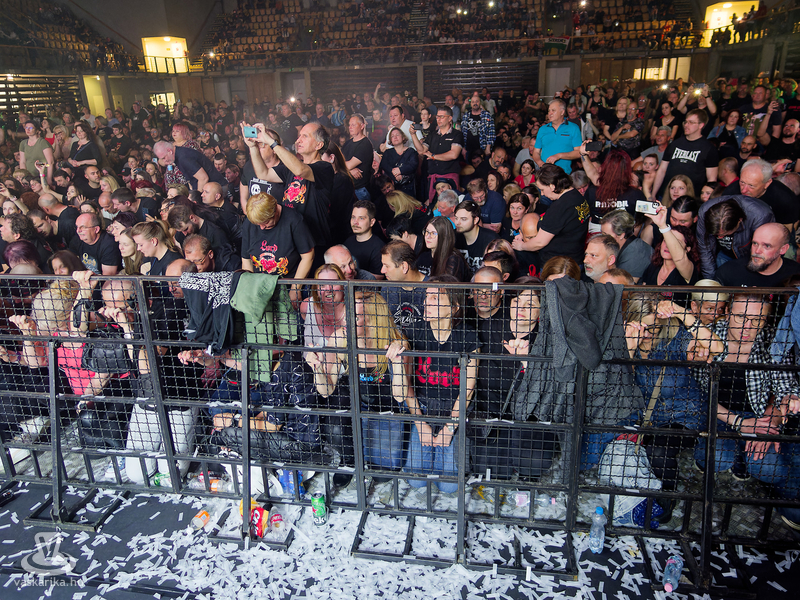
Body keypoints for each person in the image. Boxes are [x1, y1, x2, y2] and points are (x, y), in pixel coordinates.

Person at [305, 291, 412, 477]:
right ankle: (349, 460)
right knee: (335, 422)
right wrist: (317, 368)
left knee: (386, 469)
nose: (346, 321)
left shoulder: (396, 341)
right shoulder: (340, 338)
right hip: (355, 399)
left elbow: (400, 396)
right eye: (346, 314)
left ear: (372, 320)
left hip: (386, 405)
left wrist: (397, 362)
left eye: (355, 317)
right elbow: (326, 391)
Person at [697, 293, 800, 479]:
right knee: (715, 459)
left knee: (772, 471)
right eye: (741, 317)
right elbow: (696, 394)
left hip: (758, 414)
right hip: (717, 415)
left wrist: (772, 421)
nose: (747, 326)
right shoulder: (707, 335)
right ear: (727, 312)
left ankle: (743, 457)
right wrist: (739, 423)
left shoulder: (774, 339)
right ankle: (735, 455)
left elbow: (785, 386)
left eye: (757, 320)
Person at [400, 275, 480, 494]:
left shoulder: (468, 336)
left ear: (454, 307)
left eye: (436, 297)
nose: (427, 302)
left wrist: (450, 428)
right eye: (427, 296)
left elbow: (467, 390)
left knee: (449, 486)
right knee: (416, 481)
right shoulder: (414, 331)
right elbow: (406, 385)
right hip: (423, 408)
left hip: (454, 410)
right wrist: (420, 423)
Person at [246, 121, 334, 261]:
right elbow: (263, 174)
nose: (298, 140)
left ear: (319, 145)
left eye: (305, 136)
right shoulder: (290, 168)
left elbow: (300, 170)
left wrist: (272, 142)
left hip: (315, 241)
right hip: (291, 239)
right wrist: (253, 147)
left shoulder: (324, 168)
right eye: (299, 136)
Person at [511, 164, 590, 269]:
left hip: (557, 267)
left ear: (552, 186)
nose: (543, 194)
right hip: (574, 260)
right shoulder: (577, 196)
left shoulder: (560, 207)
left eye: (542, 190)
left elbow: (540, 242)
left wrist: (521, 246)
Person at [696, 195, 775, 278]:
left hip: (749, 257)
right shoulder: (705, 212)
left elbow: (763, 253)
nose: (720, 237)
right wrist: (710, 281)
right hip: (724, 255)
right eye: (716, 234)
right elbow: (705, 249)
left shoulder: (760, 216)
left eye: (725, 233)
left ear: (739, 220)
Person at [652, 109, 719, 200]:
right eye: (686, 122)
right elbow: (662, 170)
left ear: (701, 125)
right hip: (667, 195)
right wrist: (653, 194)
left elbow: (711, 180)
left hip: (691, 199)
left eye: (691, 122)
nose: (686, 125)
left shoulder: (709, 148)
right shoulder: (675, 144)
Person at [580, 146, 645, 233]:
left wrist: (583, 154)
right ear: (627, 170)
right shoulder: (635, 194)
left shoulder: (592, 191)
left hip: (598, 235)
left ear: (605, 168)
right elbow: (641, 219)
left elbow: (583, 216)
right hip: (621, 236)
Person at [714, 222, 800, 286]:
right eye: (755, 243)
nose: (757, 251)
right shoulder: (729, 271)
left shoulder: (796, 274)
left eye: (767, 246)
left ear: (783, 249)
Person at [640, 204, 700, 291]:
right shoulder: (653, 267)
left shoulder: (688, 269)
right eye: (666, 241)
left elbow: (679, 258)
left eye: (676, 242)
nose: (668, 245)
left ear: (687, 249)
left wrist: (663, 226)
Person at [411, 107, 463, 204]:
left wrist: (433, 156)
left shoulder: (457, 134)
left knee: (451, 204)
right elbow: (421, 150)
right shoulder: (433, 135)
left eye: (442, 117)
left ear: (450, 118)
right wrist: (413, 135)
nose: (438, 119)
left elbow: (454, 154)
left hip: (449, 177)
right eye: (437, 117)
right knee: (434, 205)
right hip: (433, 178)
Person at [380, 240, 427, 336]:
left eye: (386, 266)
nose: (382, 270)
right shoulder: (387, 289)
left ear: (404, 266)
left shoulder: (432, 290)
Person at [153, 140, 227, 192]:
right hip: (211, 188)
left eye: (164, 158)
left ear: (170, 151)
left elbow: (203, 178)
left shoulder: (183, 158)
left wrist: (197, 199)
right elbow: (191, 179)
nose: (164, 161)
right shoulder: (179, 154)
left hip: (217, 189)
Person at [533, 99, 582, 174]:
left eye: (553, 110)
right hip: (545, 174)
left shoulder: (573, 128)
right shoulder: (542, 129)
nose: (550, 113)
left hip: (564, 174)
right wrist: (541, 164)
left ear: (562, 112)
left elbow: (578, 152)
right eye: (549, 111)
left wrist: (559, 156)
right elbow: (536, 151)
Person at [453, 200, 499, 274]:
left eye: (463, 219)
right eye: (456, 218)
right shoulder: (452, 236)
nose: (457, 222)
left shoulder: (491, 239)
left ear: (475, 220)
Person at [417, 216, 469, 281]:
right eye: (427, 232)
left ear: (444, 236)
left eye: (433, 233)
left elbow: (449, 285)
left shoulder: (453, 259)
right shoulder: (423, 256)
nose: (428, 236)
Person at [344, 200, 385, 279]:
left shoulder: (379, 247)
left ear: (372, 222)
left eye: (361, 218)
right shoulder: (348, 242)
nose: (355, 222)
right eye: (353, 217)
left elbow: (379, 278)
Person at [379, 128, 419, 198]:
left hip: (409, 186)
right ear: (391, 140)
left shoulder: (411, 151)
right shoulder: (387, 152)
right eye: (392, 136)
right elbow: (384, 165)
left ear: (403, 137)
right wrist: (395, 174)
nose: (395, 137)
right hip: (393, 186)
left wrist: (400, 171)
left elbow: (413, 164)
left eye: (397, 135)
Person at [343, 114, 374, 201]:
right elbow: (337, 161)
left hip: (360, 190)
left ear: (362, 126)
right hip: (348, 187)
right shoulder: (348, 143)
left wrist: (347, 167)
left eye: (353, 125)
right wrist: (350, 170)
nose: (350, 127)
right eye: (349, 125)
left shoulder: (365, 144)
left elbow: (345, 164)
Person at [461, 93, 495, 159]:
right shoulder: (466, 115)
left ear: (480, 103)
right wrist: (463, 148)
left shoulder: (486, 115)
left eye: (477, 101)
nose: (475, 103)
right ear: (470, 104)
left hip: (482, 149)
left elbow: (491, 132)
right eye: (473, 102)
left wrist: (488, 147)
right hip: (468, 149)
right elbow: (462, 132)